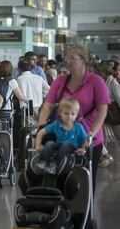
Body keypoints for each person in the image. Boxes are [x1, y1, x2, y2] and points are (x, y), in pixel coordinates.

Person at [37, 45, 110, 194]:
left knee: (84, 183)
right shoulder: (61, 81)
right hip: (61, 137)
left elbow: (102, 110)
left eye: (72, 58)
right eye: (67, 58)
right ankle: (62, 212)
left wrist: (91, 133)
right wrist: (41, 127)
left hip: (87, 141)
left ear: (83, 61)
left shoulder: (96, 81)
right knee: (60, 180)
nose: (67, 61)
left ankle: (84, 215)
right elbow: (47, 106)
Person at [35, 98, 88, 174]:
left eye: (72, 114)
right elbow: (41, 132)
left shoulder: (78, 127)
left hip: (73, 149)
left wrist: (83, 149)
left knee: (65, 144)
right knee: (49, 143)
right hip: (59, 146)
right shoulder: (56, 124)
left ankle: (55, 164)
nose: (69, 116)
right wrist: (38, 145)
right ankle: (43, 162)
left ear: (76, 115)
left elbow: (84, 141)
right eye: (66, 113)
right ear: (60, 113)